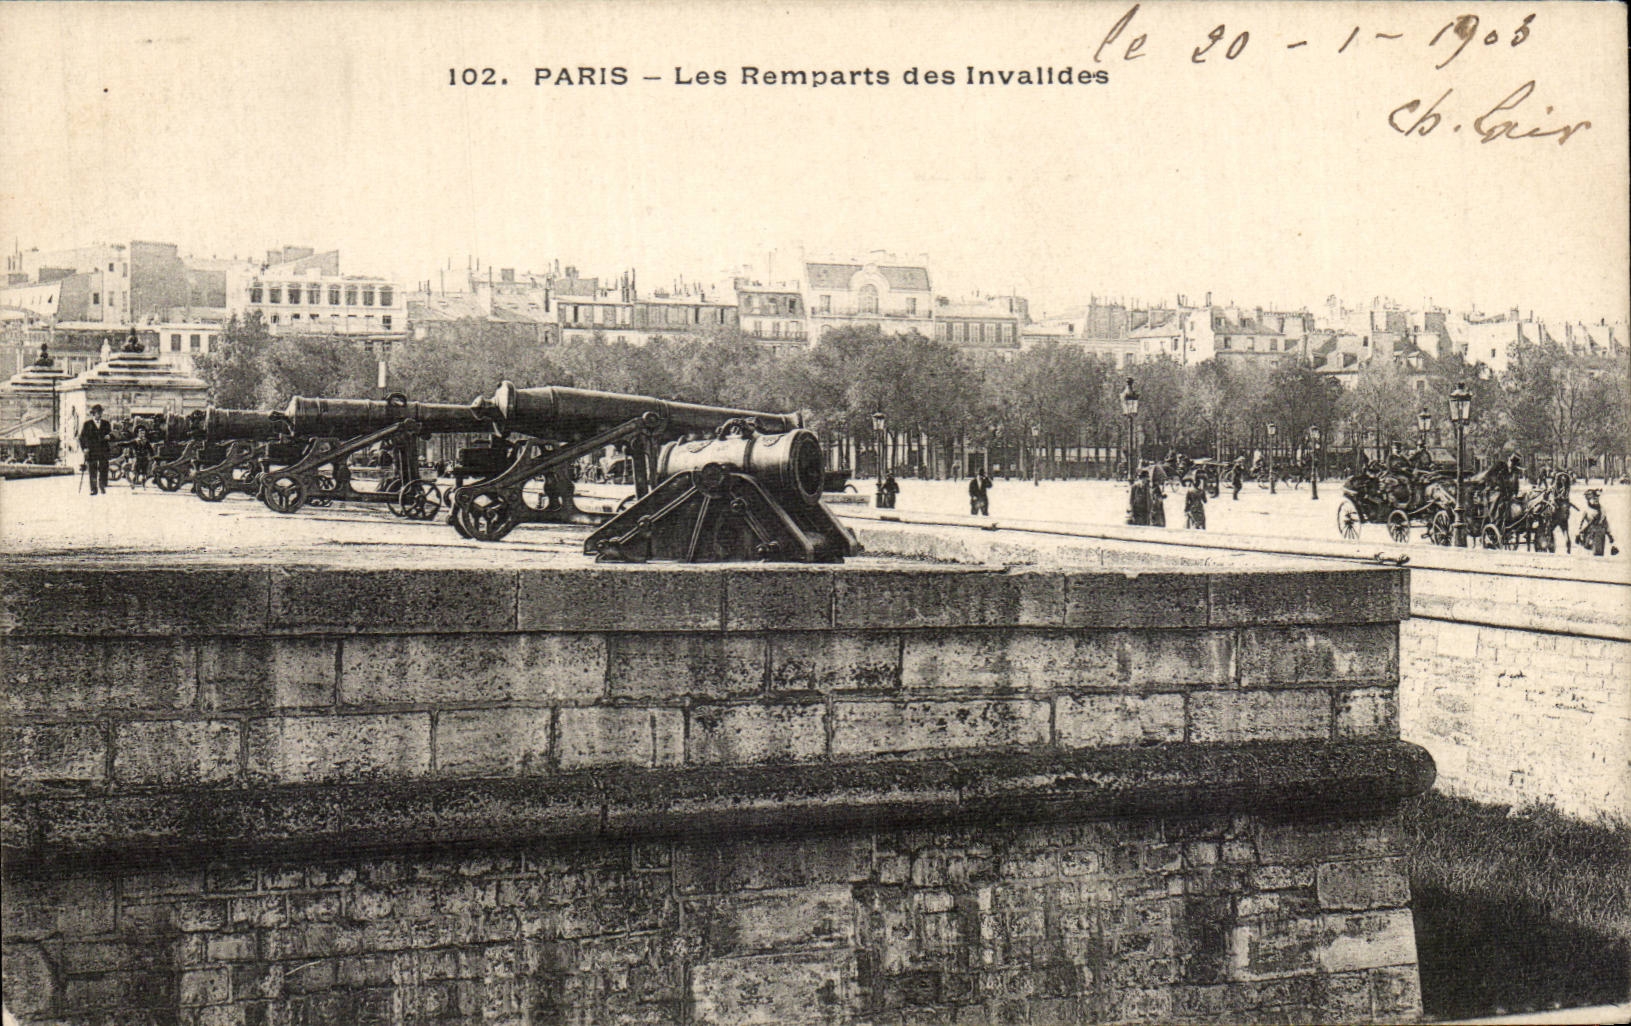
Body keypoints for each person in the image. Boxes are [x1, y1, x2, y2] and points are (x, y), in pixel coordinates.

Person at [78, 404, 112, 495]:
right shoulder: (87, 424)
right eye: (97, 412)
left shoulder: (106, 423)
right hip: (91, 451)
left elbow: (111, 434)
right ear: (93, 413)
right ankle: (93, 488)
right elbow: (81, 438)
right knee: (92, 470)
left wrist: (109, 436)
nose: (99, 414)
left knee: (103, 468)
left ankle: (102, 484)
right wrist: (84, 448)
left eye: (100, 412)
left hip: (103, 450)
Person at [1576, 489, 1618, 557]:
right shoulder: (1586, 510)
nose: (1596, 500)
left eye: (1597, 498)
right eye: (1593, 499)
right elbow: (1581, 523)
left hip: (1600, 533)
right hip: (1589, 534)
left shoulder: (1602, 510)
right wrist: (1579, 532)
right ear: (1588, 500)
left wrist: (1609, 535)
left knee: (1598, 553)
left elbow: (1605, 522)